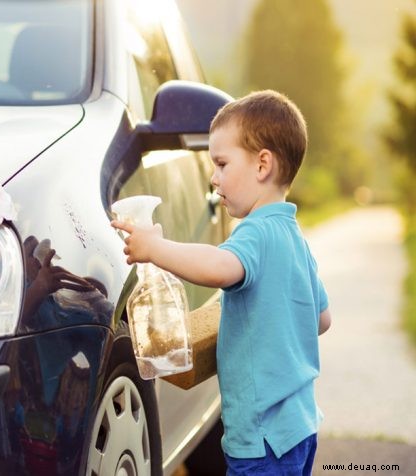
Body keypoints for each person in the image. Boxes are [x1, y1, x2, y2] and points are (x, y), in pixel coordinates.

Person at [111, 90, 332, 476]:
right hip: (299, 427)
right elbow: (322, 319)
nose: (213, 178)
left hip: (261, 439)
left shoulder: (255, 233)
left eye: (222, 164)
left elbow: (218, 267)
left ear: (262, 164)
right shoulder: (295, 238)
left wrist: (156, 247)